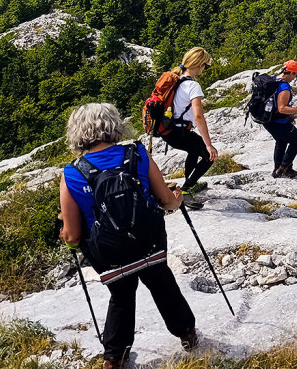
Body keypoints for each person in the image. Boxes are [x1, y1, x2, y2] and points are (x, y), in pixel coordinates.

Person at [59, 103, 197, 369]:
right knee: (162, 282)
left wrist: (64, 233)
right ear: (114, 124)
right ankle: (187, 334)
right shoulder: (137, 153)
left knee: (121, 296)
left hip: (109, 253)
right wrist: (177, 198)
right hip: (149, 242)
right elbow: (167, 201)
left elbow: (73, 236)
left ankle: (114, 358)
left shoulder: (72, 173)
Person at [166, 47, 218, 206]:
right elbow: (198, 116)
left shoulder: (177, 79)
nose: (205, 69)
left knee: (193, 150)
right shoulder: (193, 86)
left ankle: (190, 183)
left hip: (169, 130)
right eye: (206, 66)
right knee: (209, 156)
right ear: (200, 65)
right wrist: (209, 145)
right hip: (180, 132)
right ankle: (186, 190)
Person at [264, 60, 297, 179]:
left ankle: (278, 169)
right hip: (278, 121)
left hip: (267, 119)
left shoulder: (274, 80)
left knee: (281, 140)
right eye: (295, 75)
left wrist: (290, 115)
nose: (294, 78)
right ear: (290, 72)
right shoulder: (284, 87)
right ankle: (283, 168)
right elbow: (282, 108)